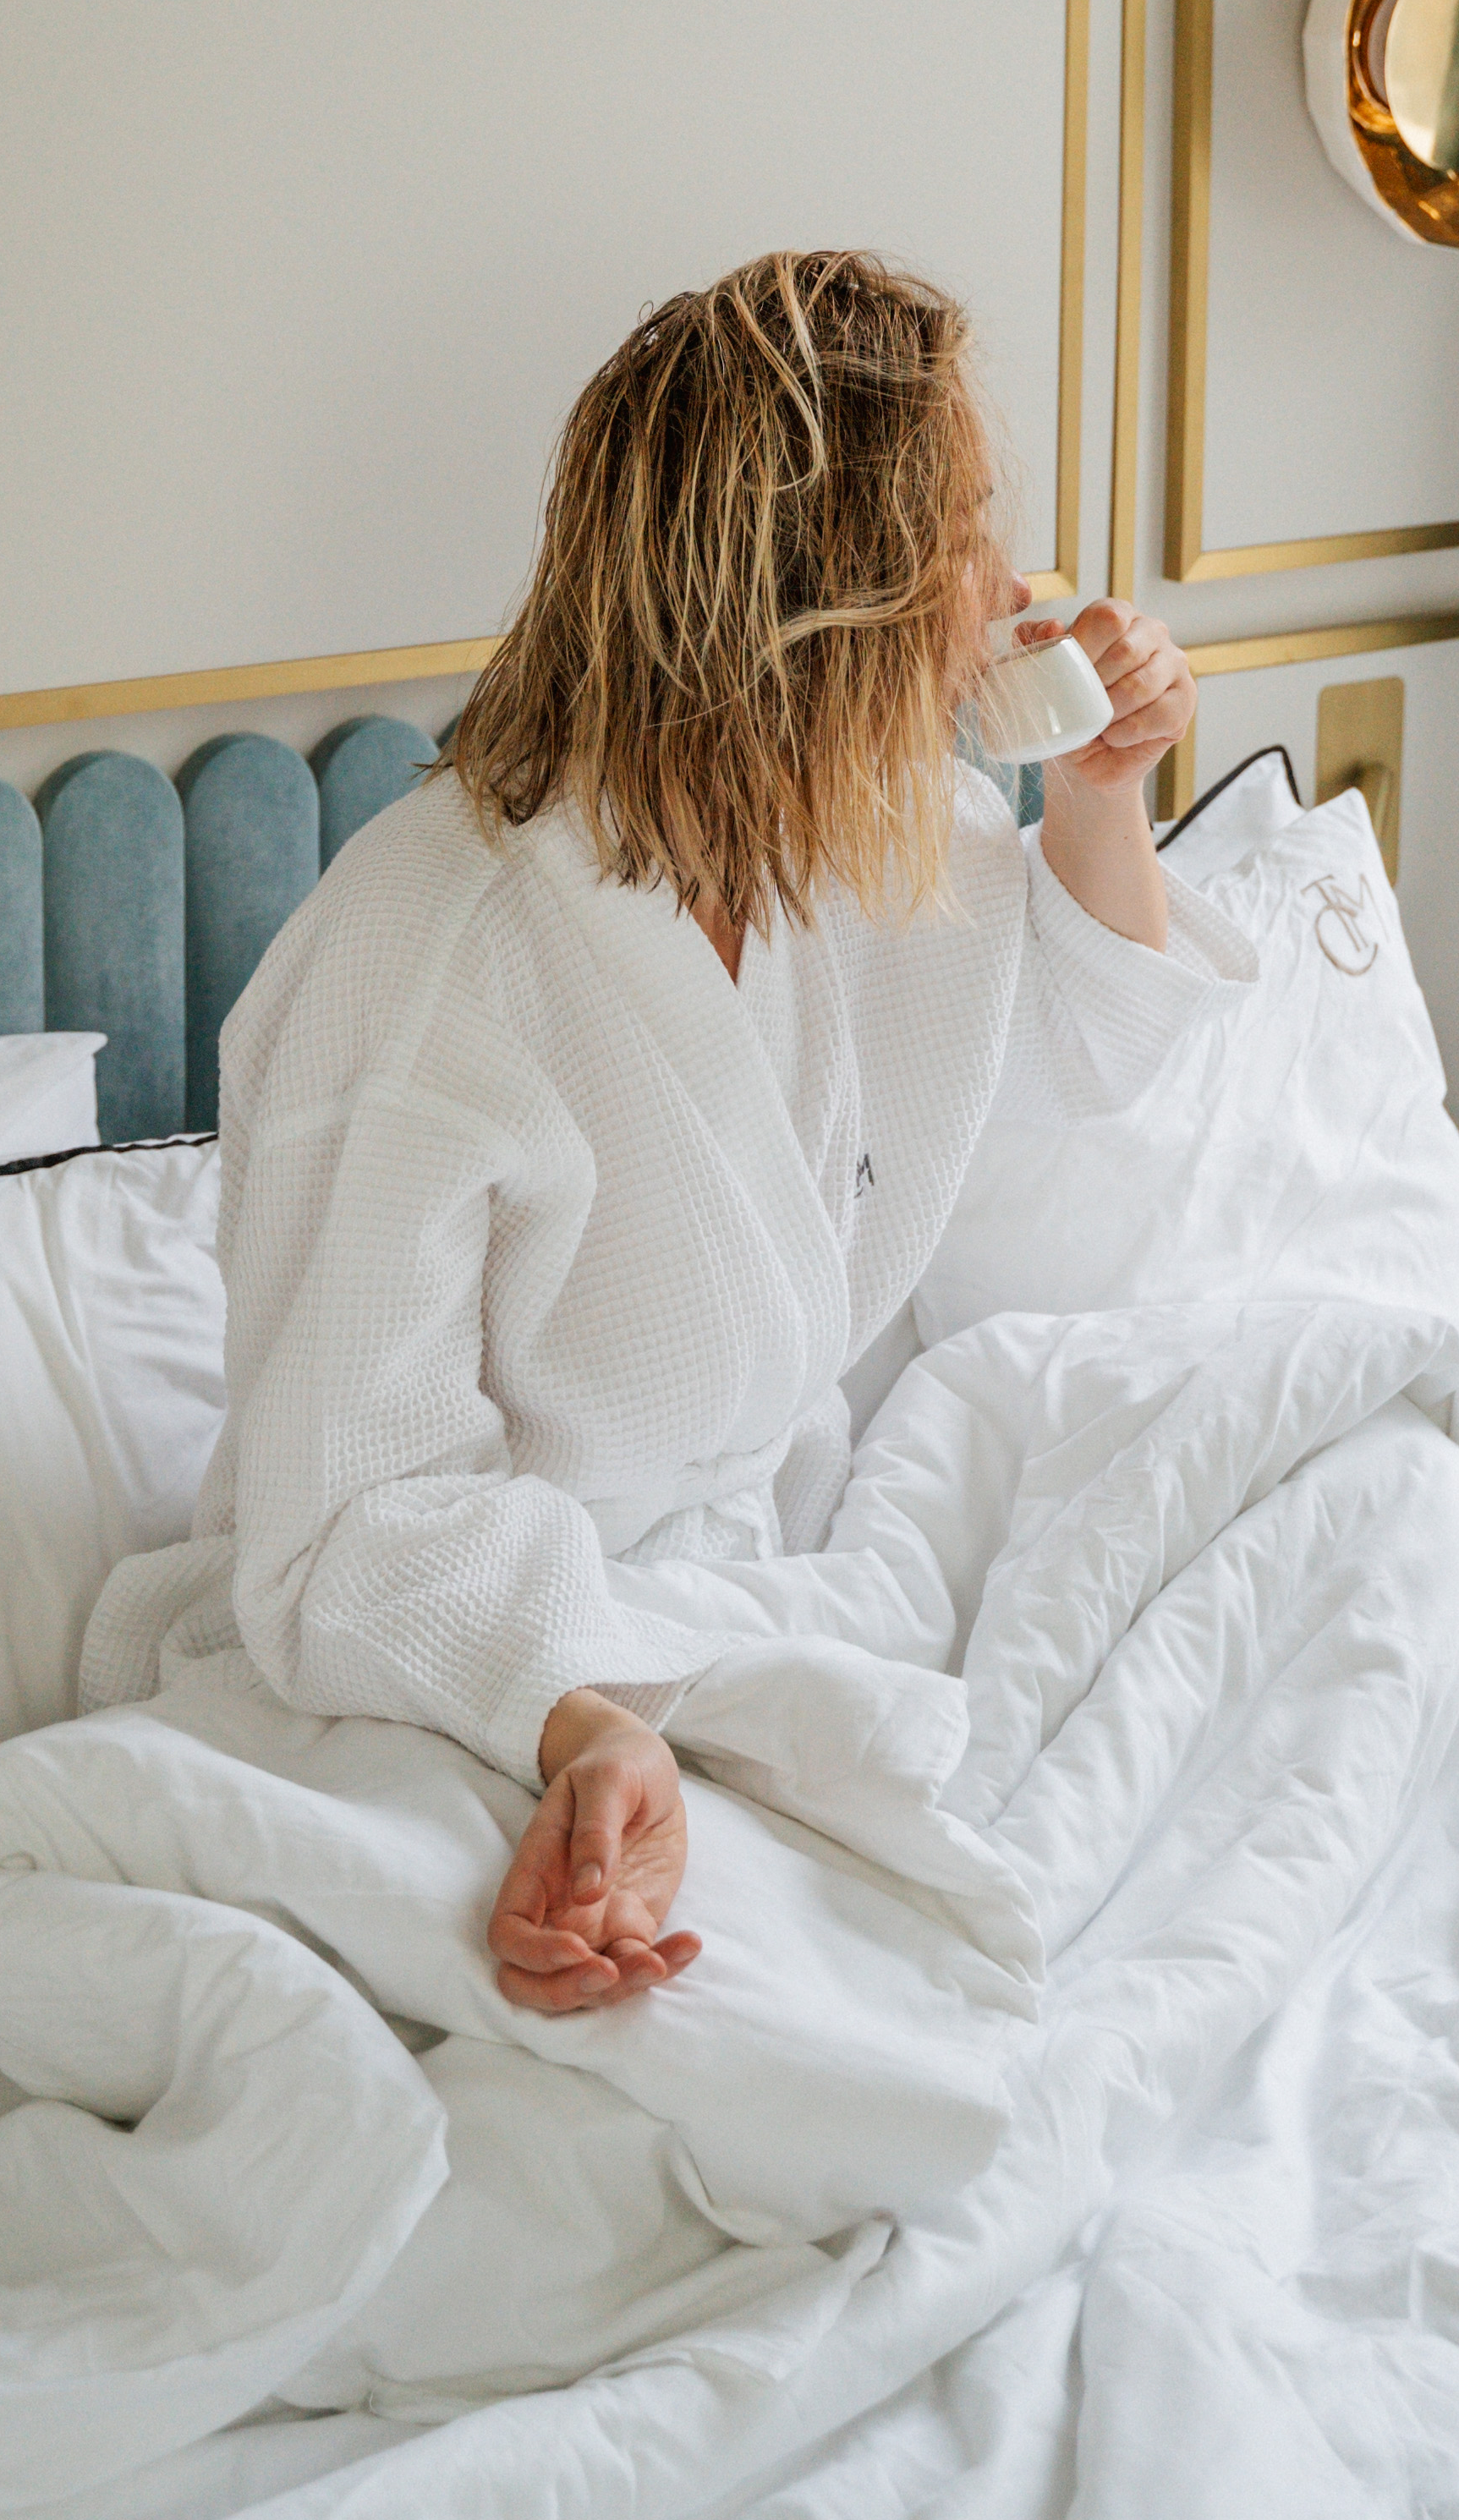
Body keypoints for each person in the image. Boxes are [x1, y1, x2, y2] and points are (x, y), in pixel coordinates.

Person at [78, 249, 1246, 2016]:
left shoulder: (845, 839)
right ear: (827, 596)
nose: (1007, 593)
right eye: (960, 542)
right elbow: (338, 1530)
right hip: (466, 1663)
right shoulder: (428, 959)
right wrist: (589, 1723)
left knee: (1336, 1485)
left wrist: (1100, 790)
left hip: (748, 1593)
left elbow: (1101, 1049)